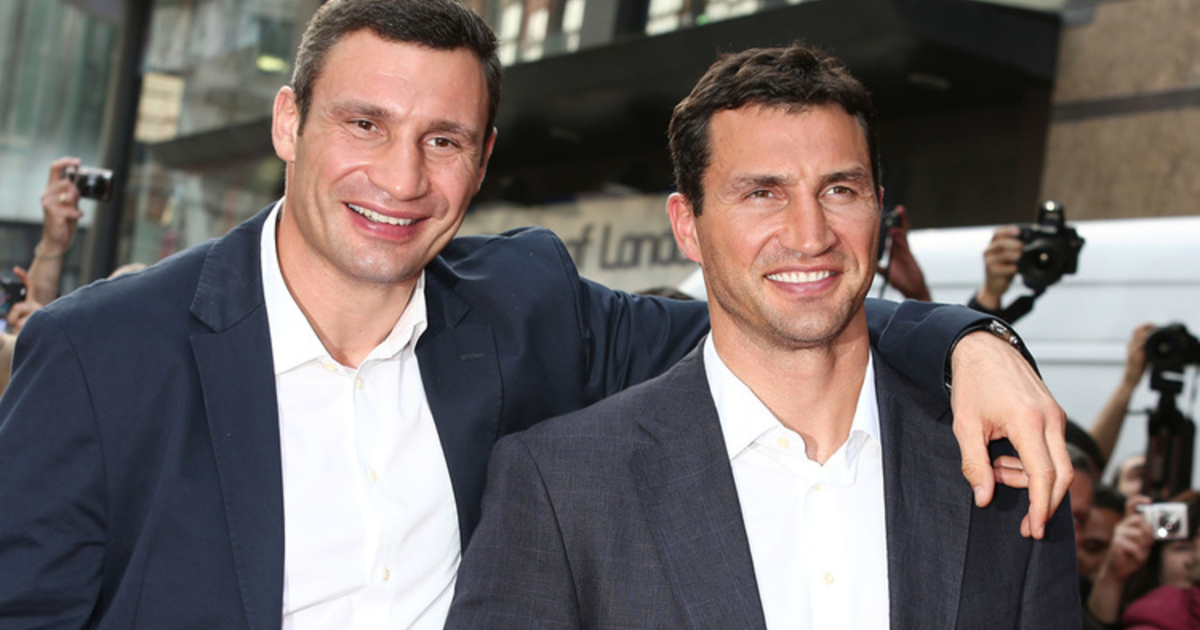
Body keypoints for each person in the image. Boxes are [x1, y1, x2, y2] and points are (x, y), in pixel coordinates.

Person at [0, 1, 1070, 627]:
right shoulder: (100, 354)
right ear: (289, 121)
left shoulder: (526, 308)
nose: (401, 177)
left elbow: (771, 311)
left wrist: (974, 342)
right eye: (365, 124)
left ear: (482, 163)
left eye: (444, 140)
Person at [446, 44, 1079, 629]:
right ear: (687, 226)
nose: (810, 234)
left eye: (839, 190)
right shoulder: (563, 485)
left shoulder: (1004, 468)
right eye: (762, 194)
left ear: (877, 207)